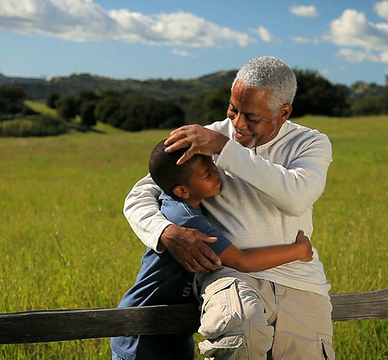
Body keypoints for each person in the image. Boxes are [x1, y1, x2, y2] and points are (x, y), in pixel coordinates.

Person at [123, 56, 335, 359]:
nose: (237, 124)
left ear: (283, 113)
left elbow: (296, 197)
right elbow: (140, 194)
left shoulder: (310, 143)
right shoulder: (204, 138)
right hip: (231, 275)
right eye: (233, 109)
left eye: (252, 117)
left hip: (300, 281)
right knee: (240, 332)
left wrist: (224, 148)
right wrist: (166, 232)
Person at [110, 139, 314, 360]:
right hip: (142, 331)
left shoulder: (189, 206)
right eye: (207, 175)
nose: (217, 174)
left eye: (214, 167)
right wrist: (298, 251)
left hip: (176, 329)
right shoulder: (184, 219)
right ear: (181, 190)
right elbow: (242, 261)